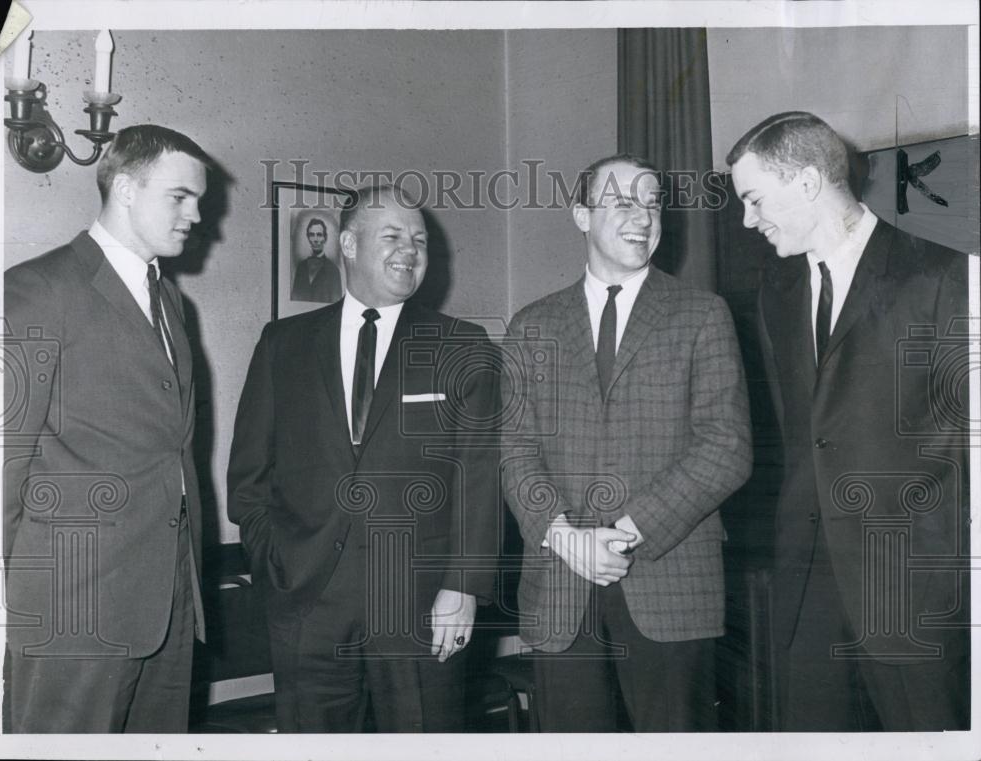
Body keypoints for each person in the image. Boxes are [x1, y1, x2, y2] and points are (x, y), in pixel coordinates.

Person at [727, 111, 970, 731]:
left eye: (755, 199)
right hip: (806, 583)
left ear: (807, 183)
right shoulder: (774, 291)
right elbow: (800, 434)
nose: (748, 220)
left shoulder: (941, 275)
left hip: (907, 586)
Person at [228, 184, 500, 732]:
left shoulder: (462, 346)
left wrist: (464, 587)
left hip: (422, 604)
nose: (410, 251)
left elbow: (482, 479)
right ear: (347, 245)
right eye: (393, 236)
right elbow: (249, 473)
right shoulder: (283, 343)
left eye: (420, 241)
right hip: (307, 598)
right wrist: (274, 559)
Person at [501, 153, 752, 731]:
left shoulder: (702, 315)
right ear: (581, 215)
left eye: (652, 201)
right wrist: (566, 538)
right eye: (621, 200)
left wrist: (627, 533)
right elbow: (515, 451)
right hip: (559, 590)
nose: (642, 214)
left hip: (671, 586)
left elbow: (726, 446)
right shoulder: (531, 325)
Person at [2, 124, 212, 732]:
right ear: (124, 188)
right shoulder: (34, 291)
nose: (196, 215)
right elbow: (1, 466)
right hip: (74, 607)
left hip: (170, 599)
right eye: (180, 197)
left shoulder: (173, 303)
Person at [291, 216, 343, 302]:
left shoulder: (334, 270)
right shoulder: (301, 268)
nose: (315, 239)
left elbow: (336, 304)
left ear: (325, 238)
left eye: (319, 235)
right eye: (312, 235)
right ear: (308, 238)